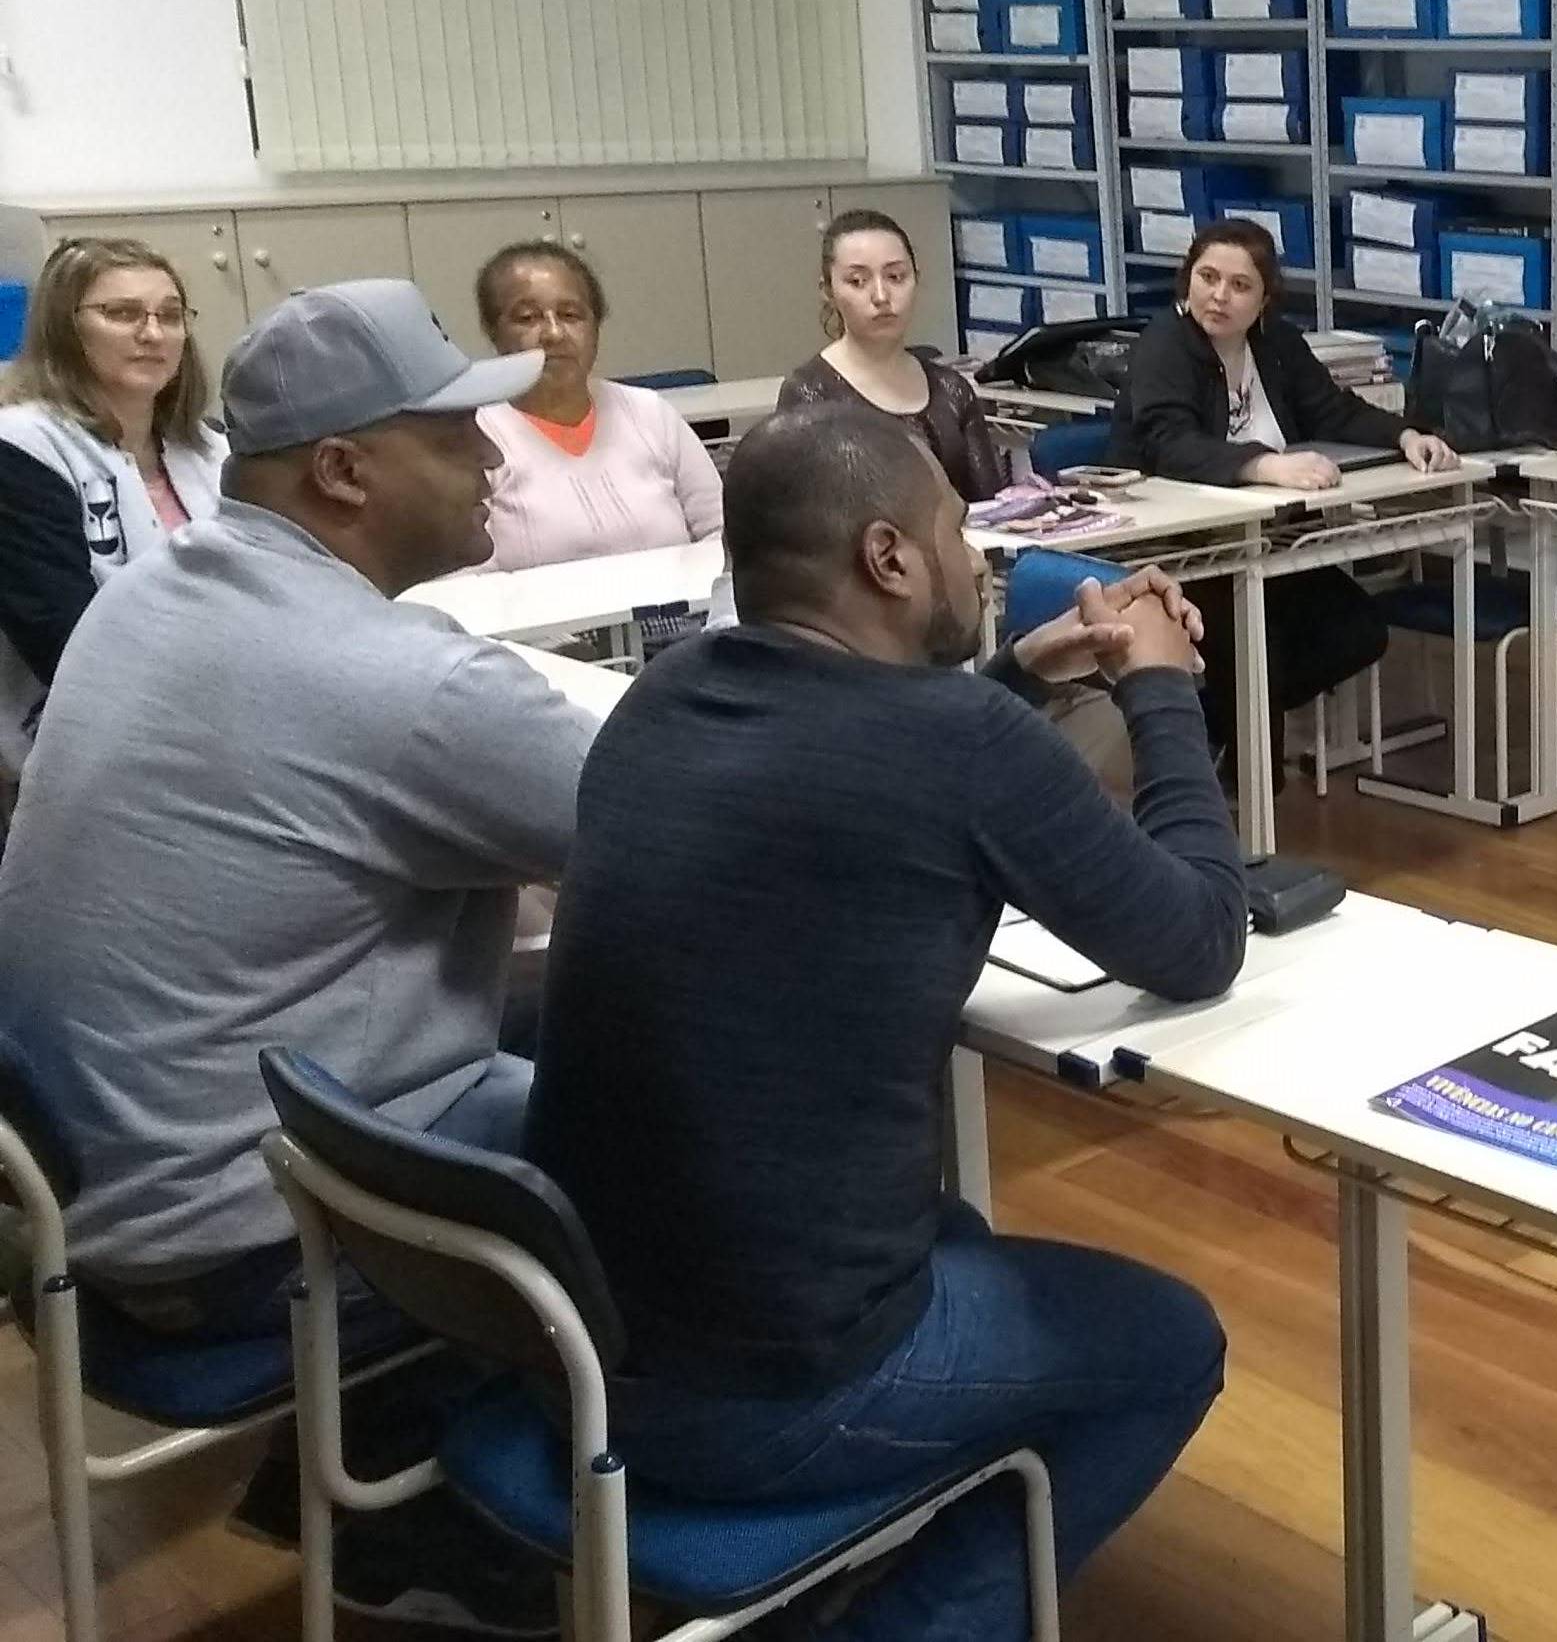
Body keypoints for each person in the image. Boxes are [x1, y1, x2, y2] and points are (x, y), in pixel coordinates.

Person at [525, 405, 1244, 1640]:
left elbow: (865, 757)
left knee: (956, 1227)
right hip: (764, 1395)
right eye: (957, 530)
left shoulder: (665, 695)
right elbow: (1196, 940)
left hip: (579, 1339)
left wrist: (1017, 675)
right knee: (1171, 1343)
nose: (977, 559)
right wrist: (1162, 690)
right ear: (888, 559)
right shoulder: (955, 743)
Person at [0, 278, 592, 1632]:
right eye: (455, 435)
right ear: (343, 470)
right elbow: (687, 842)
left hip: (87, 1220)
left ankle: (394, 1486)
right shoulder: (404, 682)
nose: (496, 457)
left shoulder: (150, 600)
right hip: (235, 1252)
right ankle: (543, 1526)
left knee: (560, 1003)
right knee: (692, 1119)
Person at [1115, 218, 1456, 762]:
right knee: (1253, 644)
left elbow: (1333, 409)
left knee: (1359, 631)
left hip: (1275, 544)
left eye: (1239, 285)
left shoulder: (1276, 343)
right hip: (1188, 553)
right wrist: (1264, 466)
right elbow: (1166, 444)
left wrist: (1406, 434)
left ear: (1265, 299)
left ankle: (1215, 727)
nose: (1219, 296)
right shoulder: (1164, 347)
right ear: (1187, 281)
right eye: (1207, 278)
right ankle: (1241, 762)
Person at [0, 238, 227, 788]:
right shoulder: (21, 447)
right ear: (65, 328)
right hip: (90, 742)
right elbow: (65, 637)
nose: (152, 334)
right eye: (122, 314)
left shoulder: (211, 444)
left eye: (170, 316)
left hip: (224, 709)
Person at [468, 240, 722, 571]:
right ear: (494, 332)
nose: (554, 333)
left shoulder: (650, 413)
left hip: (681, 618)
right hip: (544, 623)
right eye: (528, 318)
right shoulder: (474, 438)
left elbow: (724, 533)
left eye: (571, 315)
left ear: (596, 326)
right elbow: (468, 584)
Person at [776, 209, 1008, 502]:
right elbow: (799, 519)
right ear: (828, 291)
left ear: (916, 279)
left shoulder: (952, 389)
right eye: (857, 281)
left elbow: (993, 508)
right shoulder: (809, 394)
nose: (881, 296)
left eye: (896, 277)